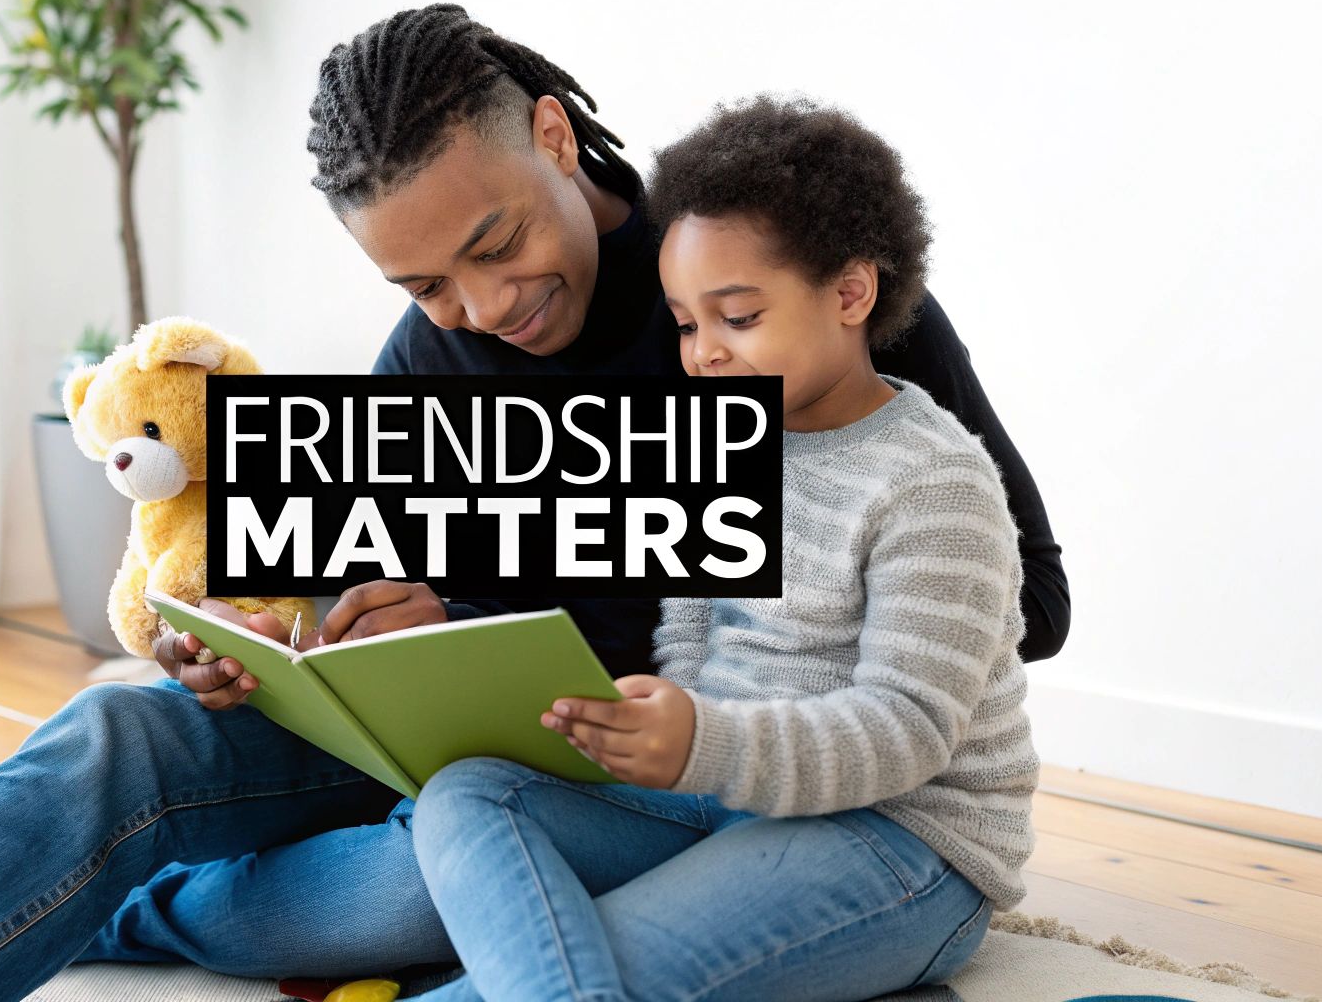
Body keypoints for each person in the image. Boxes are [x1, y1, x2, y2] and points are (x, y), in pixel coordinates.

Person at [0, 4, 1062, 1001]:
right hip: (473, 761)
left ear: (550, 137)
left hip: (661, 770)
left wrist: (549, 574)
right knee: (127, 728)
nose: (482, 311)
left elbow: (1029, 608)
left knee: (387, 895)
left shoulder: (754, 281)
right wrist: (258, 635)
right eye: (422, 287)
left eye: (495, 244)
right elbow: (344, 588)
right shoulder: (432, 359)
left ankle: (122, 901)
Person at [407, 95, 1037, 1001]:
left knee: (573, 962)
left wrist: (701, 740)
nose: (701, 354)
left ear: (850, 292)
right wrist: (656, 731)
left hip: (904, 839)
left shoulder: (933, 482)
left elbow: (907, 732)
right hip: (730, 801)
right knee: (466, 795)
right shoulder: (728, 444)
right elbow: (691, 639)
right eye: (687, 323)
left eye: (736, 318)